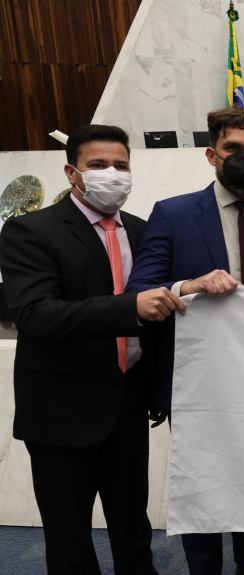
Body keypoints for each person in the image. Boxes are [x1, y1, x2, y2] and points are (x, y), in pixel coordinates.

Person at [0, 124, 183, 573]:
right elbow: (37, 315)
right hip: (62, 409)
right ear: (71, 172)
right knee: (69, 533)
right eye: (98, 166)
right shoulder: (30, 231)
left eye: (121, 165)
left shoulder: (143, 232)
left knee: (132, 523)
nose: (112, 174)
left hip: (128, 401)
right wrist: (129, 308)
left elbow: (164, 306)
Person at [126, 107, 244, 575]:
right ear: (211, 154)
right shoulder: (174, 213)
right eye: (232, 148)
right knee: (203, 475)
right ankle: (205, 568)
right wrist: (191, 284)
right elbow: (139, 291)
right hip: (197, 380)